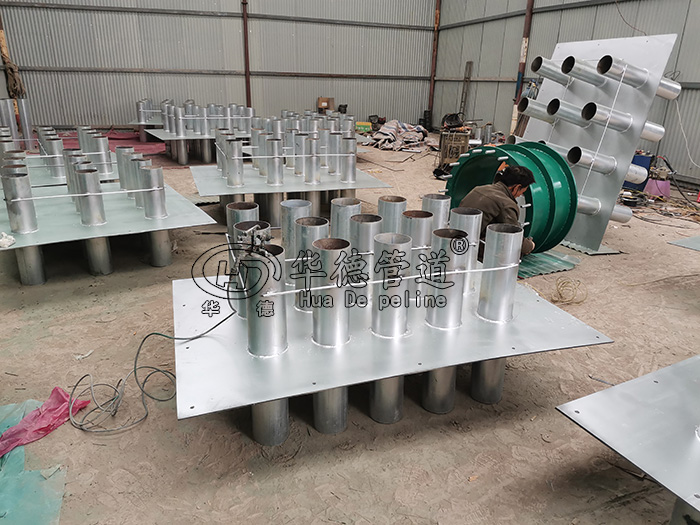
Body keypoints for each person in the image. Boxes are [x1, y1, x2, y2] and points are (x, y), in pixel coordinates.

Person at [458, 165, 536, 257]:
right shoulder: (507, 204)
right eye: (522, 192)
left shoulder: (478, 189)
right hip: (472, 250)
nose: (519, 195)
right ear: (516, 187)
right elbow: (514, 239)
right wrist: (530, 245)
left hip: (456, 241)